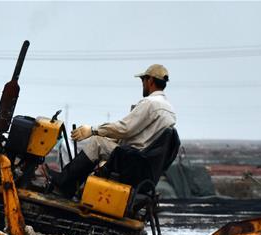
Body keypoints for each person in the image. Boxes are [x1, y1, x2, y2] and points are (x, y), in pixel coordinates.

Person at [51, 64, 177, 198]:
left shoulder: (150, 104)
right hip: (145, 164)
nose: (143, 84)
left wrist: (93, 130)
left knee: (97, 142)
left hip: (134, 161)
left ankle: (63, 185)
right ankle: (79, 187)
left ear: (150, 80)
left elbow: (125, 129)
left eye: (143, 81)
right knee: (105, 145)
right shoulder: (170, 110)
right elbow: (140, 135)